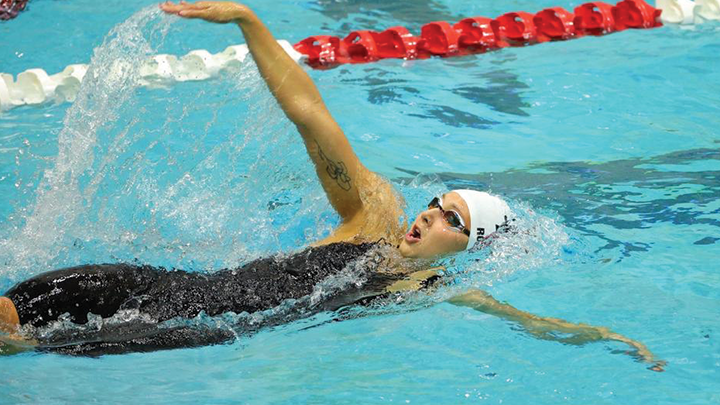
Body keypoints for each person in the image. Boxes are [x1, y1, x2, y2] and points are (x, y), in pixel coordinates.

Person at [0, 1, 664, 370]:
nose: (428, 217)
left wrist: (604, 336)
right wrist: (249, 22)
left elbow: (532, 323)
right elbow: (311, 115)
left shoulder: (426, 286)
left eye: (450, 221)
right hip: (168, 287)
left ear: (468, 248)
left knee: (17, 342)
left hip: (194, 332)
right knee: (19, 305)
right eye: (436, 206)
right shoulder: (371, 214)